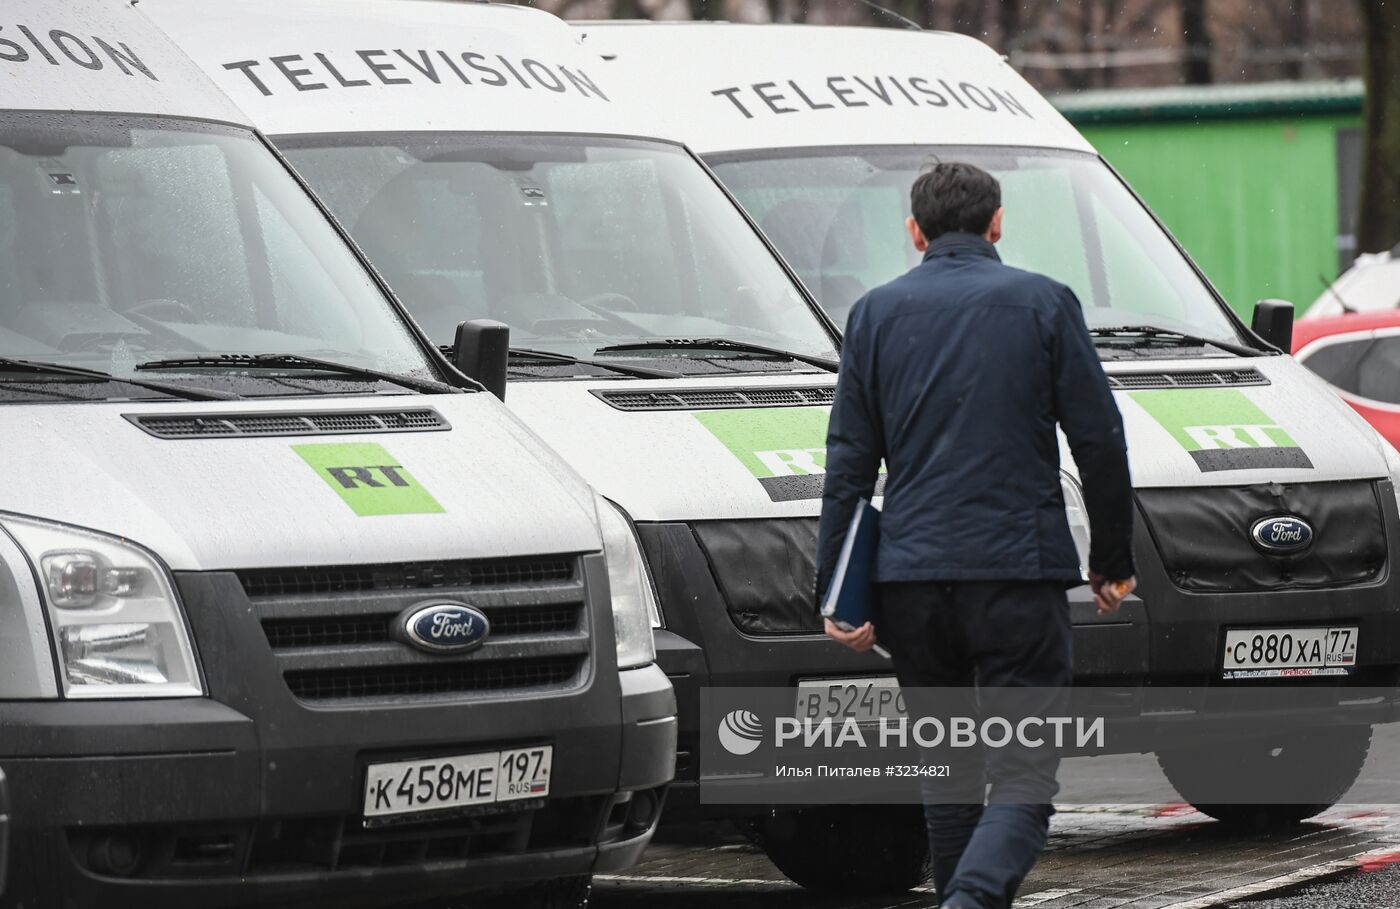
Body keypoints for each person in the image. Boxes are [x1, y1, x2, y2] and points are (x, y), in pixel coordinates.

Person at [815, 162, 1137, 909]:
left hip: (912, 582)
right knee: (1025, 775)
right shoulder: (1045, 303)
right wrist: (1111, 559)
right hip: (1016, 575)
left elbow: (848, 464)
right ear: (997, 223)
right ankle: (972, 899)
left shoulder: (873, 315)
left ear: (914, 232)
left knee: (950, 772)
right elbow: (1099, 438)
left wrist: (839, 589)